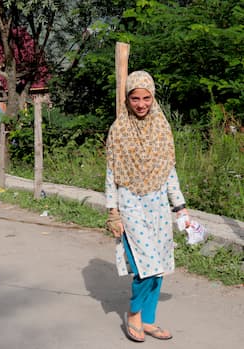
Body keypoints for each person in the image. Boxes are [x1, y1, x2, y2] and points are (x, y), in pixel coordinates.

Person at [105, 71, 190, 342]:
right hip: (130, 204)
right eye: (135, 98)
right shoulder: (118, 130)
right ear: (127, 100)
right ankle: (133, 314)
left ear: (153, 97)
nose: (141, 104)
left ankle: (149, 320)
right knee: (146, 265)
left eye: (146, 98)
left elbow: (169, 172)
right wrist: (112, 212)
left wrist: (180, 207)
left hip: (158, 205)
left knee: (160, 265)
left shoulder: (162, 128)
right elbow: (111, 174)